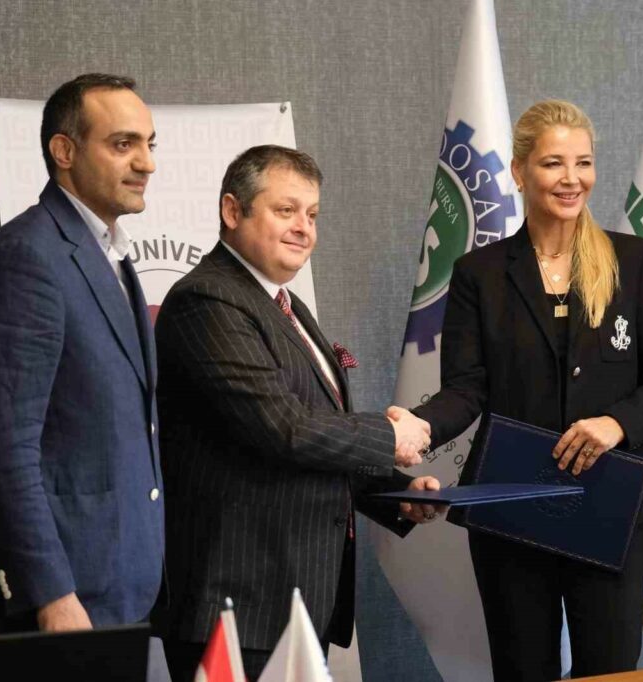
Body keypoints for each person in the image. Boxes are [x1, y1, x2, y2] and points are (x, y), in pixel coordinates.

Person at [401, 99, 643, 680]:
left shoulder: (634, 260)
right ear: (518, 171)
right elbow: (466, 389)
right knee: (521, 668)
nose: (571, 178)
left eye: (583, 163)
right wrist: (420, 424)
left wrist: (617, 423)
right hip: (512, 505)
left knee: (610, 669)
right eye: (553, 163)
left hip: (610, 506)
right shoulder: (479, 272)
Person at [153, 144, 439, 681]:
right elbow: (283, 428)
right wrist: (389, 436)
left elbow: (308, 445)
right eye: (286, 210)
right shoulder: (207, 301)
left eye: (312, 214)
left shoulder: (285, 304)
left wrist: (395, 493)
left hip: (296, 600)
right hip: (237, 608)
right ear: (232, 210)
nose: (304, 228)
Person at [0, 73, 164, 632]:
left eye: (150, 144)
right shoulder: (26, 256)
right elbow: (1, 445)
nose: (147, 163)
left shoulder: (110, 253)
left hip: (125, 585)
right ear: (65, 151)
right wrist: (51, 592)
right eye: (123, 144)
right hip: (66, 600)